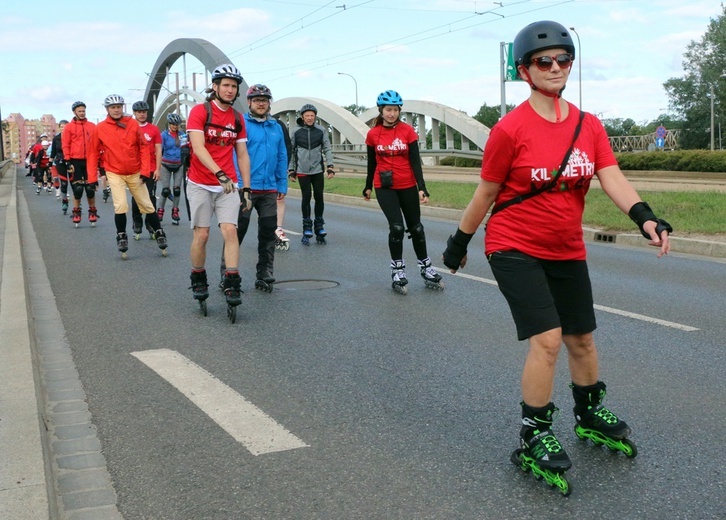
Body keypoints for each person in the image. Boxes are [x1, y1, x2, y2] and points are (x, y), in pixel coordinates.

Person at [441, 21, 673, 494]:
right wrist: (458, 244)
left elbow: (611, 176)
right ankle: (535, 434)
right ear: (524, 70)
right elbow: (486, 193)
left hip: (565, 246)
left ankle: (588, 411)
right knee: (547, 339)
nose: (555, 68)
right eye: (543, 61)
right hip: (513, 245)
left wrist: (646, 218)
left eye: (563, 59)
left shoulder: (589, 126)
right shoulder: (510, 129)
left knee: (582, 338)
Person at [362, 90, 443, 295]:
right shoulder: (373, 134)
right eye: (388, 110)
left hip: (407, 184)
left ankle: (426, 267)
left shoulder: (408, 131)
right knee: (397, 227)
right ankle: (397, 270)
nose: (392, 114)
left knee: (416, 228)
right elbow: (372, 162)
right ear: (381, 110)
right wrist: (368, 185)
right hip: (384, 186)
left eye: (395, 110)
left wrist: (422, 187)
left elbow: (416, 161)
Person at [186, 64, 251, 309]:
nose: (230, 89)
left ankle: (232, 280)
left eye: (234, 86)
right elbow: (199, 147)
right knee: (202, 234)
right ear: (215, 87)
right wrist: (219, 173)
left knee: (230, 231)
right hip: (201, 182)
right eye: (225, 85)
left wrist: (246, 188)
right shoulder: (200, 112)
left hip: (228, 185)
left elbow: (242, 153)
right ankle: (198, 276)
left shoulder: (237, 118)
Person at [87, 94, 168, 257]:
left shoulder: (132, 124)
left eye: (119, 107)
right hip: (114, 171)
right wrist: (91, 178)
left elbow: (144, 148)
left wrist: (146, 171)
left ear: (123, 108)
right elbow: (92, 153)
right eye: (113, 107)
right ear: (107, 109)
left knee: (146, 204)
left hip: (135, 171)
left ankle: (159, 231)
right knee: (121, 205)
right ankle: (121, 235)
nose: (116, 110)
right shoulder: (100, 128)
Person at [231, 83, 287, 292]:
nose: (261, 103)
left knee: (267, 233)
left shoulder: (276, 127)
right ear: (249, 102)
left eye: (264, 100)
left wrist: (281, 183)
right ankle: (228, 272)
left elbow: (281, 156)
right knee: (237, 232)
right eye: (257, 100)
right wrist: (237, 183)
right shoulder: (241, 124)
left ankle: (264, 272)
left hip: (269, 189)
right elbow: (234, 155)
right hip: (245, 189)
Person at [289, 103, 335, 245]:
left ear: (315, 117)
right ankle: (307, 227)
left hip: (317, 169)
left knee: (319, 196)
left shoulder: (321, 130)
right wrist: (291, 170)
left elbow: (327, 148)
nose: (310, 118)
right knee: (306, 197)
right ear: (302, 117)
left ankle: (319, 226)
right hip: (302, 170)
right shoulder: (296, 132)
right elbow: (291, 151)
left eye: (312, 116)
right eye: (307, 115)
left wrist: (330, 166)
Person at [62, 101, 98, 226]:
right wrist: (67, 160)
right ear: (74, 112)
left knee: (90, 188)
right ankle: (76, 212)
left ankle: (92, 211)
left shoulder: (92, 126)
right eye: (79, 111)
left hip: (90, 160)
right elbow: (65, 144)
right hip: (75, 160)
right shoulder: (69, 127)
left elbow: (97, 144)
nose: (82, 113)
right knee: (77, 189)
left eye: (83, 111)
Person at [131, 101, 162, 239]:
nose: (142, 114)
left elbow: (158, 149)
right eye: (139, 112)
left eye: (144, 112)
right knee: (136, 197)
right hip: (134, 169)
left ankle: (150, 224)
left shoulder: (154, 129)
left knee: (150, 197)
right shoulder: (130, 127)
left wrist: (158, 169)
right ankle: (137, 223)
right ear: (135, 113)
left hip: (150, 168)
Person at [158, 113, 186, 226]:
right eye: (173, 124)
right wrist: (157, 166)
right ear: (169, 124)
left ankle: (175, 211)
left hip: (179, 164)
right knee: (165, 190)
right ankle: (160, 211)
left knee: (177, 190)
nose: (175, 126)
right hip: (166, 164)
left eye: (176, 124)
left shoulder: (182, 135)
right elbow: (159, 151)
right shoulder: (163, 135)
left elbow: (185, 150)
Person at [274, 116, 292, 250]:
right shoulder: (247, 123)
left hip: (277, 169)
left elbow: (287, 147)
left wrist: (284, 166)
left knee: (280, 198)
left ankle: (278, 228)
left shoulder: (278, 125)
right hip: (255, 172)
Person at [49, 120, 69, 203]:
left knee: (76, 185)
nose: (64, 128)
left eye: (65, 126)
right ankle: (64, 200)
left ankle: (77, 203)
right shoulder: (56, 138)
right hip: (60, 160)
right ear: (59, 128)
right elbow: (53, 151)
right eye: (62, 127)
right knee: (64, 183)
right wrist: (50, 162)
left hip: (72, 160)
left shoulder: (74, 137)